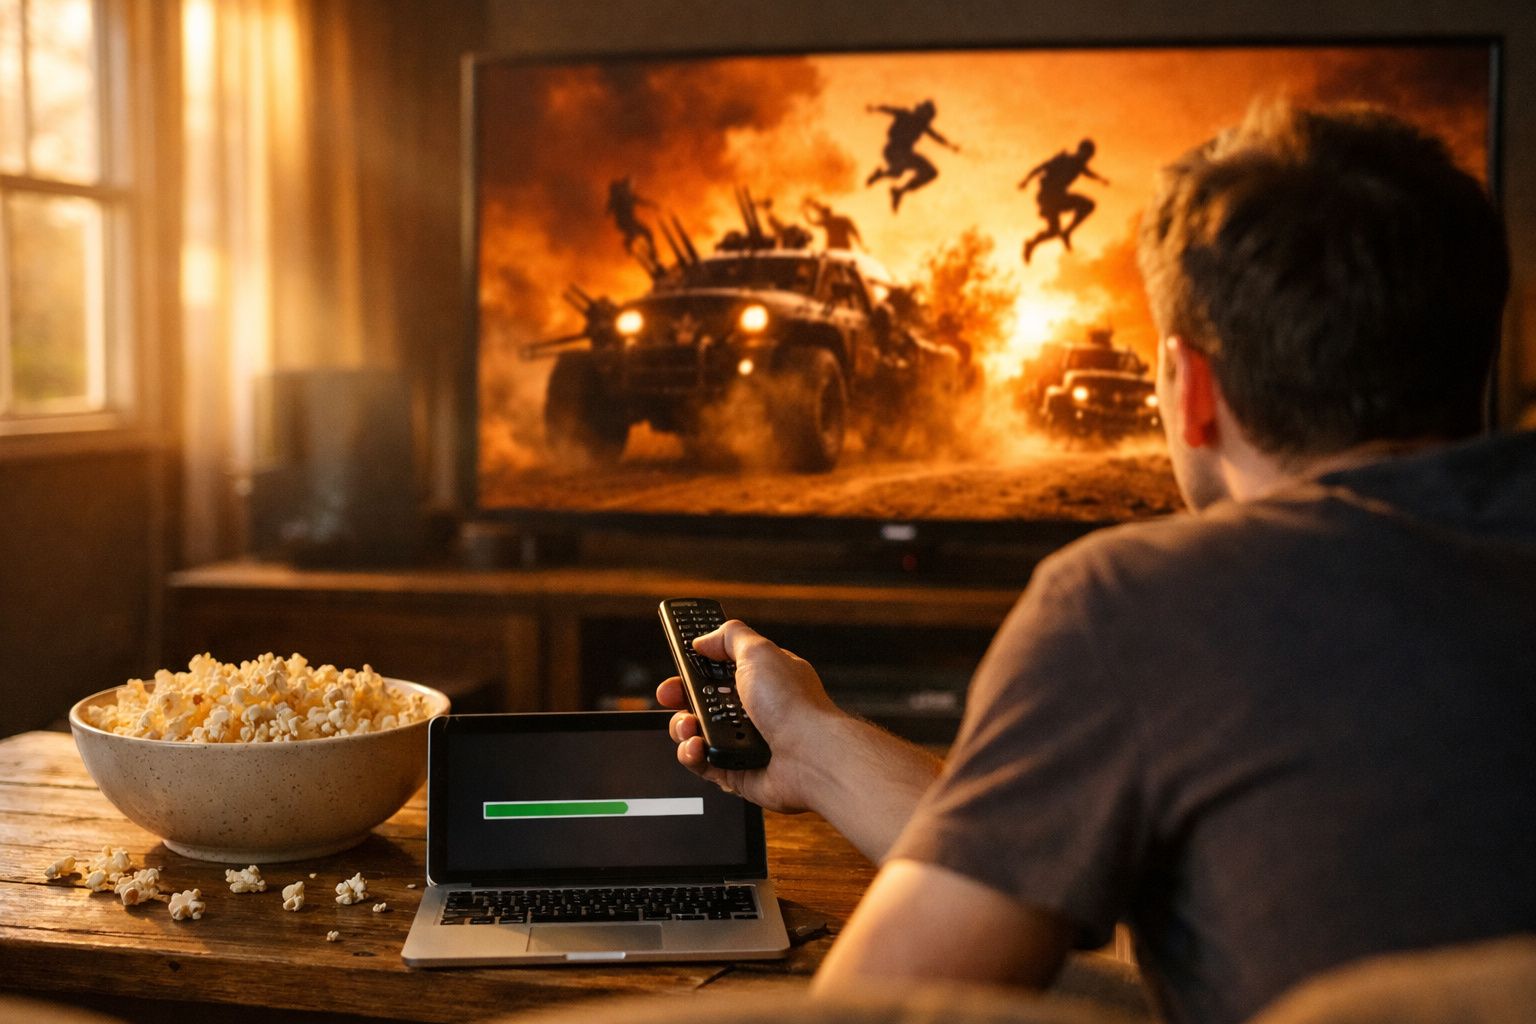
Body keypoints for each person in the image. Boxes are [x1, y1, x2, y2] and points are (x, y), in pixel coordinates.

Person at [659, 103, 1533, 1024]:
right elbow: (1038, 875)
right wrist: (813, 743)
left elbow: (871, 1010)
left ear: (1190, 389)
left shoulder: (1139, 604)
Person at [1020, 139, 1109, 263]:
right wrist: (1025, 180)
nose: (1087, 159)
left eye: (1089, 157)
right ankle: (1035, 243)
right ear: (1081, 151)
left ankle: (1062, 233)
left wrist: (1100, 179)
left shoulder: (1079, 165)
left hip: (1059, 197)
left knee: (1087, 206)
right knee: (1055, 229)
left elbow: (1088, 173)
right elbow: (1040, 167)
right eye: (1087, 156)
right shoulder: (1064, 159)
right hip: (1047, 198)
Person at [865, 99, 960, 212]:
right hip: (892, 150)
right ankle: (880, 174)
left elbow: (936, 136)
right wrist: (874, 108)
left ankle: (899, 191)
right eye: (925, 113)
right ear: (919, 110)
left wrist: (950, 145)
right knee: (897, 171)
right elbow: (889, 109)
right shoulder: (905, 114)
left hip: (906, 153)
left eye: (928, 116)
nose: (925, 118)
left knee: (931, 172)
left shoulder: (922, 124)